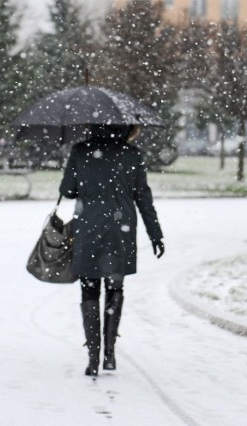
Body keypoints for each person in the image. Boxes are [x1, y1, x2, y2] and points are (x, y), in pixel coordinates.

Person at [59, 124, 164, 377]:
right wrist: (155, 233)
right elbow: (143, 197)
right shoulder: (132, 154)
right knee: (115, 287)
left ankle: (93, 356)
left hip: (88, 228)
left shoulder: (80, 151)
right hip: (121, 229)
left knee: (89, 288)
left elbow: (67, 191)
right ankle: (109, 353)